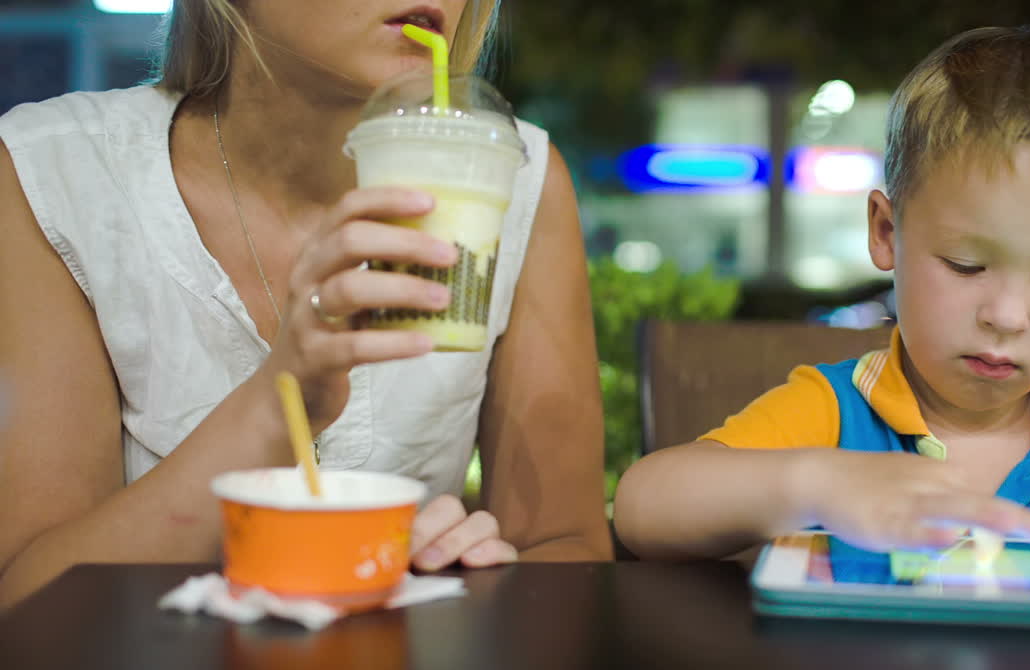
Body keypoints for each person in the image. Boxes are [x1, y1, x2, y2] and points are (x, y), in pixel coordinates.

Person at [613, 24, 1030, 584]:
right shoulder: (833, 418)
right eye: (967, 264)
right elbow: (642, 510)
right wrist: (812, 483)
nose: (1008, 316)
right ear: (886, 233)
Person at [0, 0, 611, 611]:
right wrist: (281, 398)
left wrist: (470, 577)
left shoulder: (515, 177)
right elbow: (29, 602)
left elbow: (563, 549)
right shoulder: (54, 178)